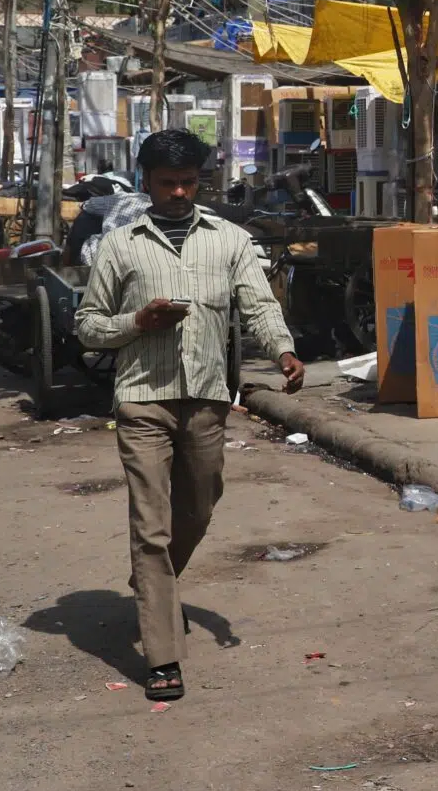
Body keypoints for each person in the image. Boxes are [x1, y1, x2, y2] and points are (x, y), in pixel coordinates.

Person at [74, 130, 304, 703]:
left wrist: (283, 350)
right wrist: (138, 324)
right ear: (146, 183)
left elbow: (257, 303)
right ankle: (162, 658)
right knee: (150, 529)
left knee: (199, 508)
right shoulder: (120, 245)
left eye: (188, 182)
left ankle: (151, 586)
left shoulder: (228, 240)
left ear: (201, 180)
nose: (178, 192)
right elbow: (87, 325)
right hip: (142, 401)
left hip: (205, 399)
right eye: (166, 183)